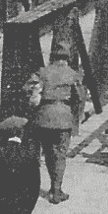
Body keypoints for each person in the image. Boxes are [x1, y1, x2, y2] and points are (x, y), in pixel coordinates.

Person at [24, 42, 87, 204]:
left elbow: (27, 90)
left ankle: (32, 188)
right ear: (67, 58)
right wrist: (75, 118)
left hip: (43, 118)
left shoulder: (42, 72)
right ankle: (56, 191)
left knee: (46, 153)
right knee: (59, 155)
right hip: (63, 119)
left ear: (52, 57)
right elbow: (80, 97)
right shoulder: (73, 74)